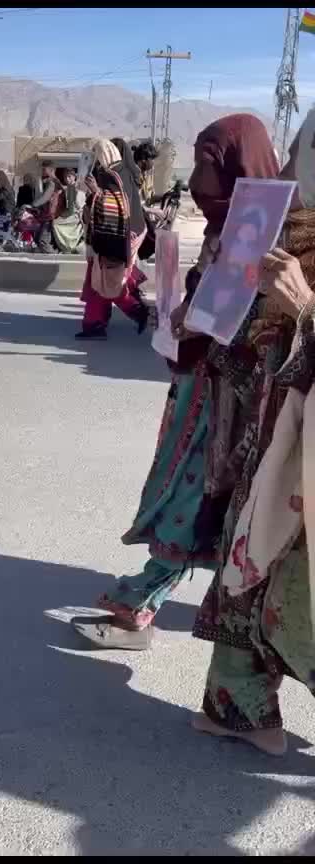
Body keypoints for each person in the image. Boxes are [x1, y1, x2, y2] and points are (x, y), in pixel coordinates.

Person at [72, 114, 279, 650]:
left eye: (208, 163)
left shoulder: (280, 237)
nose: (198, 179)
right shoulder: (226, 228)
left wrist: (202, 323)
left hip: (232, 405)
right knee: (200, 502)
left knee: (195, 499)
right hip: (199, 389)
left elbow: (263, 326)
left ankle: (140, 605)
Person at [191, 110, 315, 757]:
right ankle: (238, 709)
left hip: (301, 449)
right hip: (274, 437)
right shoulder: (279, 228)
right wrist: (217, 299)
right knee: (250, 565)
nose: (293, 165)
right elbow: (242, 350)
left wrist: (307, 309)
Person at [75, 138, 148, 340]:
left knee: (105, 281)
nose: (95, 162)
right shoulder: (124, 173)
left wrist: (95, 192)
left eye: (96, 157)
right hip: (120, 236)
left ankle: (134, 311)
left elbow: (114, 206)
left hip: (112, 237)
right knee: (105, 280)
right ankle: (97, 323)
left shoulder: (112, 175)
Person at [30, 161, 64, 254]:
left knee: (43, 241)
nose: (42, 171)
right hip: (49, 215)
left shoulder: (52, 183)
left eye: (44, 169)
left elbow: (45, 197)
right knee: (38, 238)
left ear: (52, 170)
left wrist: (33, 205)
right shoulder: (55, 182)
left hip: (50, 216)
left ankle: (55, 258)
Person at [52, 167, 84, 254]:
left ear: (74, 177)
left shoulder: (71, 189)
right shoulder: (72, 187)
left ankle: (66, 246)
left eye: (69, 176)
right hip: (77, 215)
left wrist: (60, 216)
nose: (67, 179)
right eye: (65, 177)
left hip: (74, 216)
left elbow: (70, 210)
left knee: (55, 223)